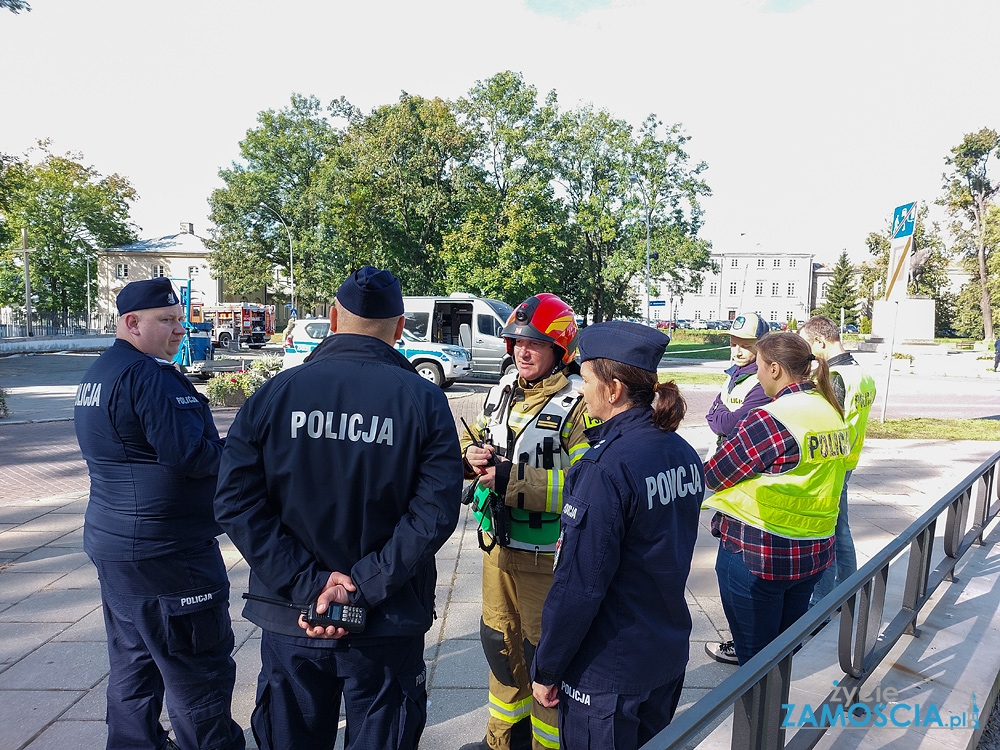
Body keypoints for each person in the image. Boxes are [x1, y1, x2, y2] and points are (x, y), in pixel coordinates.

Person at [214, 266, 463, 750]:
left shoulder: (274, 395)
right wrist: (363, 587)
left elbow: (234, 500)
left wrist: (310, 584)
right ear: (398, 327)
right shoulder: (424, 401)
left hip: (292, 615)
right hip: (386, 619)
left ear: (332, 318)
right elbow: (433, 513)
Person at [74, 277, 244, 750]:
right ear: (132, 323)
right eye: (166, 321)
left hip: (117, 545)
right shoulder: (150, 376)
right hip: (169, 554)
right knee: (198, 671)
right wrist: (251, 451)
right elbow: (194, 457)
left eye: (179, 319)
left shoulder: (100, 372)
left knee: (134, 661)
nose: (179, 329)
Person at [530, 321, 703, 750]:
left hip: (609, 670)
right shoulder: (678, 450)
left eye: (585, 379)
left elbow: (579, 585)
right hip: (662, 653)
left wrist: (547, 668)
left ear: (613, 389)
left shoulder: (604, 467)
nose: (580, 389)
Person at [459, 293, 591, 750]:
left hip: (546, 562)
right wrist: (468, 454)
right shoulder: (501, 391)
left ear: (560, 350)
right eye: (517, 341)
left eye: (534, 343)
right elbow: (471, 435)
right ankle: (501, 742)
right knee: (500, 649)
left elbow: (585, 486)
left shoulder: (579, 406)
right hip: (497, 552)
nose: (522, 351)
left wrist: (511, 479)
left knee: (544, 664)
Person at [703, 332, 849, 666]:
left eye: (758, 366)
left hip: (759, 553)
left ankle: (759, 718)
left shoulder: (773, 417)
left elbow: (716, 474)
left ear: (774, 369)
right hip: (813, 552)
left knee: (755, 662)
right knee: (784, 651)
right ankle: (774, 712)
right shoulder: (830, 411)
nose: (755, 374)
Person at [703, 311, 770, 664]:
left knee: (735, 572)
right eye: (733, 341)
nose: (737, 349)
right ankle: (750, 645)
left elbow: (728, 421)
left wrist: (720, 421)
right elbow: (718, 417)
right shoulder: (734, 378)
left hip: (745, 482)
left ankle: (749, 650)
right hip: (732, 476)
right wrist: (721, 421)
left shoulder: (760, 383)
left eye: (745, 344)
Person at [799, 316, 876, 608]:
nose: (806, 351)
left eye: (807, 344)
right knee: (840, 529)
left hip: (833, 464)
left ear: (819, 341)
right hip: (848, 460)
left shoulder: (836, 377)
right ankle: (848, 591)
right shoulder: (861, 373)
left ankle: (823, 602)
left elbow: (825, 422)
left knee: (829, 533)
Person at [705, 312, 771, 450]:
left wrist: (719, 412)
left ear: (763, 346)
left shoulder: (764, 382)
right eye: (733, 344)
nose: (737, 352)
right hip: (722, 453)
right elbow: (710, 415)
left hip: (743, 459)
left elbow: (731, 425)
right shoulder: (734, 373)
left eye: (746, 346)